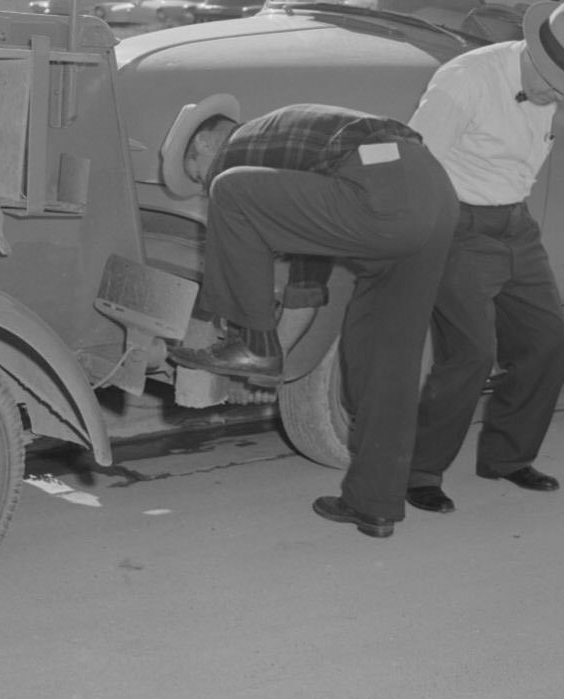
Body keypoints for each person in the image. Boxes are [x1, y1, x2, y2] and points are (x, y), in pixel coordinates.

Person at [168, 103, 458, 539]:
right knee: (383, 358)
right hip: (435, 194)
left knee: (227, 191)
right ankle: (373, 505)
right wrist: (273, 363)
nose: (200, 181)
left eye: (195, 170)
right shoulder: (296, 162)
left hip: (381, 186)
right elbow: (307, 287)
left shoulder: (238, 149)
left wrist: (252, 344)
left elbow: (230, 200)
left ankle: (251, 341)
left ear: (207, 143)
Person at [404, 0, 564, 515]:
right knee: (472, 352)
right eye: (550, 83)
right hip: (459, 225)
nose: (554, 96)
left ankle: (507, 457)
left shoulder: (551, 81)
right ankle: (419, 470)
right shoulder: (465, 81)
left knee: (549, 341)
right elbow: (417, 164)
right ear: (532, 49)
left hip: (514, 223)